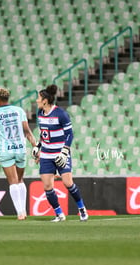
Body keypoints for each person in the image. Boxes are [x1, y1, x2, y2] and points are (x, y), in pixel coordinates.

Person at [32, 84, 88, 222]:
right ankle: (59, 214)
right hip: (46, 154)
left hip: (60, 153)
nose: (36, 100)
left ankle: (82, 209)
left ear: (45, 100)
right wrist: (38, 146)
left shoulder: (61, 114)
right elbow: (44, 133)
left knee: (68, 183)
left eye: (38, 98)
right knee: (47, 186)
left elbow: (70, 135)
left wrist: (64, 152)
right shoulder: (40, 114)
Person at [0, 88, 37, 220]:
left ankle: (20, 212)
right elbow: (27, 132)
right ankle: (24, 211)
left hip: (6, 150)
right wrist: (35, 146)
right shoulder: (19, 111)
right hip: (20, 149)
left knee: (13, 182)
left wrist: (1, 146)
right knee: (20, 180)